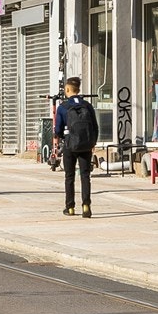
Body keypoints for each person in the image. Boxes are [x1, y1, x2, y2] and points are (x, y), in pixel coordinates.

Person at [53, 76, 99, 217]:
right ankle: (86, 206)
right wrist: (93, 143)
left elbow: (58, 129)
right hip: (86, 144)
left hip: (70, 144)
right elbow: (95, 126)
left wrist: (61, 137)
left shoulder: (63, 107)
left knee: (69, 176)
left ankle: (70, 207)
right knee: (85, 175)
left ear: (67, 89)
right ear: (78, 90)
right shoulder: (87, 106)